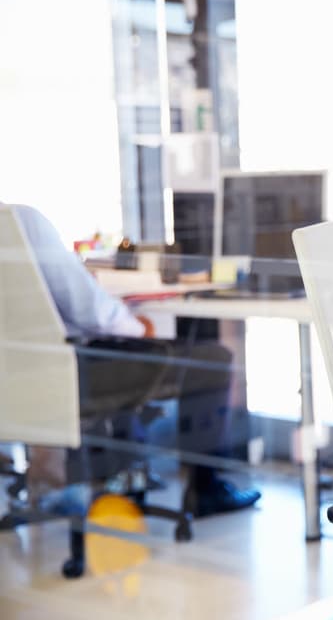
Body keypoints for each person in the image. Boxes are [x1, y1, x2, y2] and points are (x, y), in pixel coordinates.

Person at [9, 203, 260, 518]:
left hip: (16, 380)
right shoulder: (20, 221)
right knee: (213, 359)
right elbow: (89, 309)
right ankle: (206, 490)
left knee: (125, 353)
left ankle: (118, 472)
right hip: (65, 376)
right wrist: (138, 329)